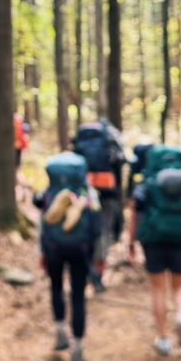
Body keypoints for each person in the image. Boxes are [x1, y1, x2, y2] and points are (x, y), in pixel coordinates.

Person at [127, 144, 181, 356]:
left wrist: (131, 243)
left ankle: (162, 339)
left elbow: (135, 214)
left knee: (158, 289)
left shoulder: (146, 185)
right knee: (180, 285)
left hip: (154, 240)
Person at [34, 151, 101, 361]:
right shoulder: (89, 194)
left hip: (53, 247)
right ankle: (78, 348)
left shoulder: (47, 194)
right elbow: (97, 228)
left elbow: (41, 225)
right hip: (80, 249)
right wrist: (96, 257)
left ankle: (61, 332)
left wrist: (41, 251)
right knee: (78, 295)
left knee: (56, 287)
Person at [71, 119, 126, 292]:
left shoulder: (81, 142)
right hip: (108, 196)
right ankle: (97, 274)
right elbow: (119, 170)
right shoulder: (112, 142)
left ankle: (85, 272)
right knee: (103, 233)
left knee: (85, 232)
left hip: (84, 195)